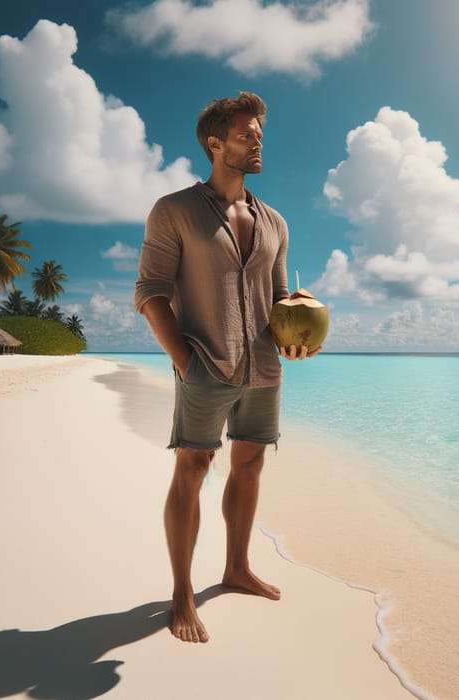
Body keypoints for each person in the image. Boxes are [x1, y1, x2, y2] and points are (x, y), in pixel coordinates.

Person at [134, 92, 320, 644]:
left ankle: (236, 568)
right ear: (215, 144)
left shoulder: (276, 221)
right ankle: (183, 593)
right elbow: (150, 292)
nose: (257, 139)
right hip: (205, 364)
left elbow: (280, 296)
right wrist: (186, 362)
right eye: (246, 133)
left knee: (250, 466)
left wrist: (298, 332)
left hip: (263, 368)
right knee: (192, 469)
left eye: (259, 132)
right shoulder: (175, 210)